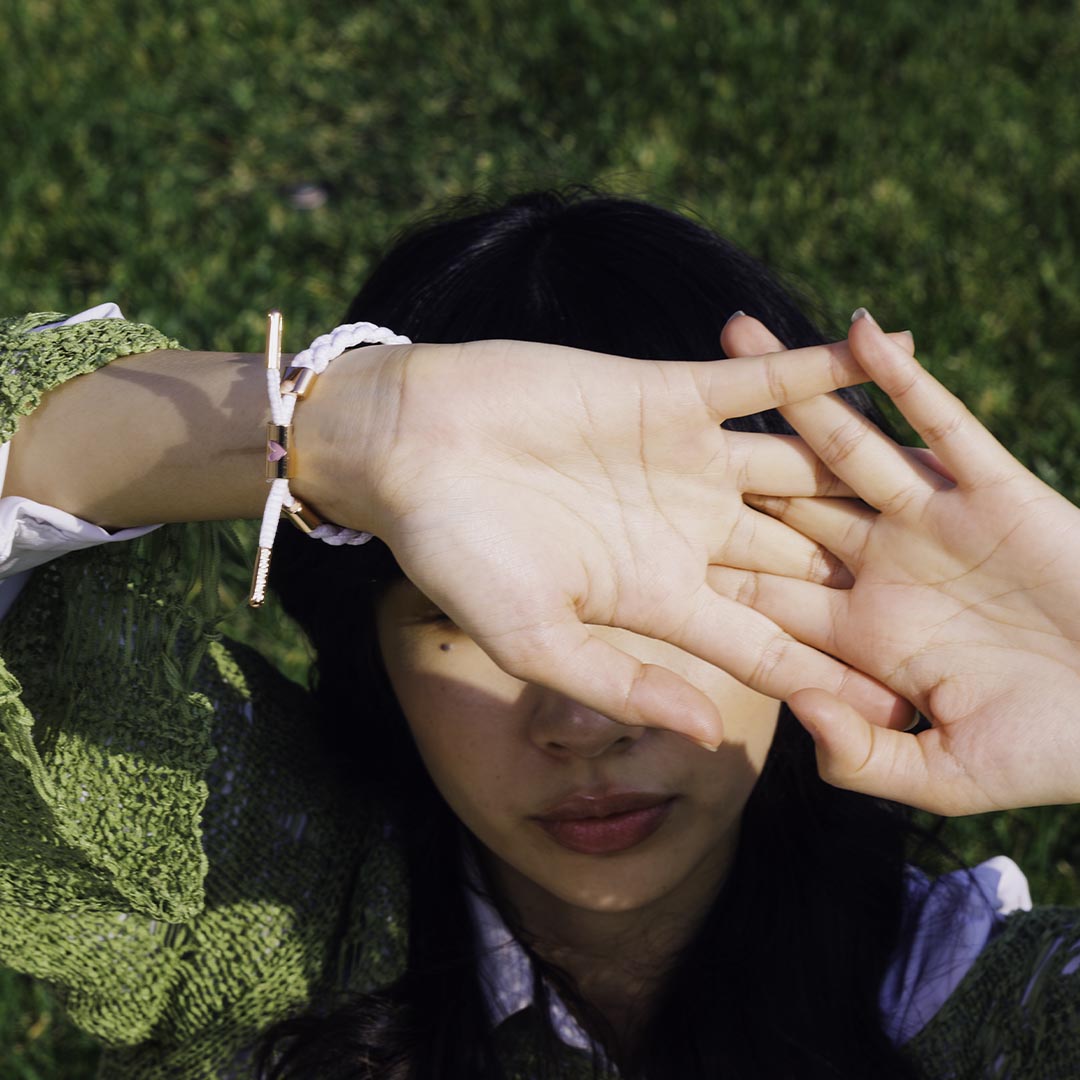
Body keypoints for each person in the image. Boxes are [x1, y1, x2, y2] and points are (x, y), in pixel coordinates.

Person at [0, 190, 1076, 1080]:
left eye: (679, 599)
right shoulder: (244, 906)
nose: (587, 717)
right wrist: (335, 426)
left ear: (834, 581)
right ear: (373, 643)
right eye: (469, 622)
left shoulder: (976, 1016)